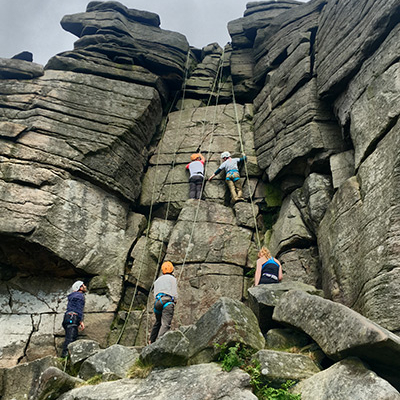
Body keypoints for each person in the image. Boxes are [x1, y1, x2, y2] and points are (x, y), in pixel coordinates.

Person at [150, 261, 178, 343]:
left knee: (158, 322)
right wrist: (175, 300)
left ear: (162, 271)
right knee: (165, 324)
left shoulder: (157, 280)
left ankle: (151, 340)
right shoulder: (172, 279)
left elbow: (155, 293)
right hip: (167, 301)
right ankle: (159, 341)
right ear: (172, 270)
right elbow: (174, 292)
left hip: (157, 302)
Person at [61, 280, 87, 357]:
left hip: (67, 317)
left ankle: (65, 356)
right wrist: (81, 321)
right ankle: (65, 356)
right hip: (73, 317)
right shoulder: (79, 296)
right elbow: (79, 309)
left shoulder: (72, 296)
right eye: (83, 285)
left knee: (68, 337)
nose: (85, 286)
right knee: (71, 338)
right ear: (80, 288)